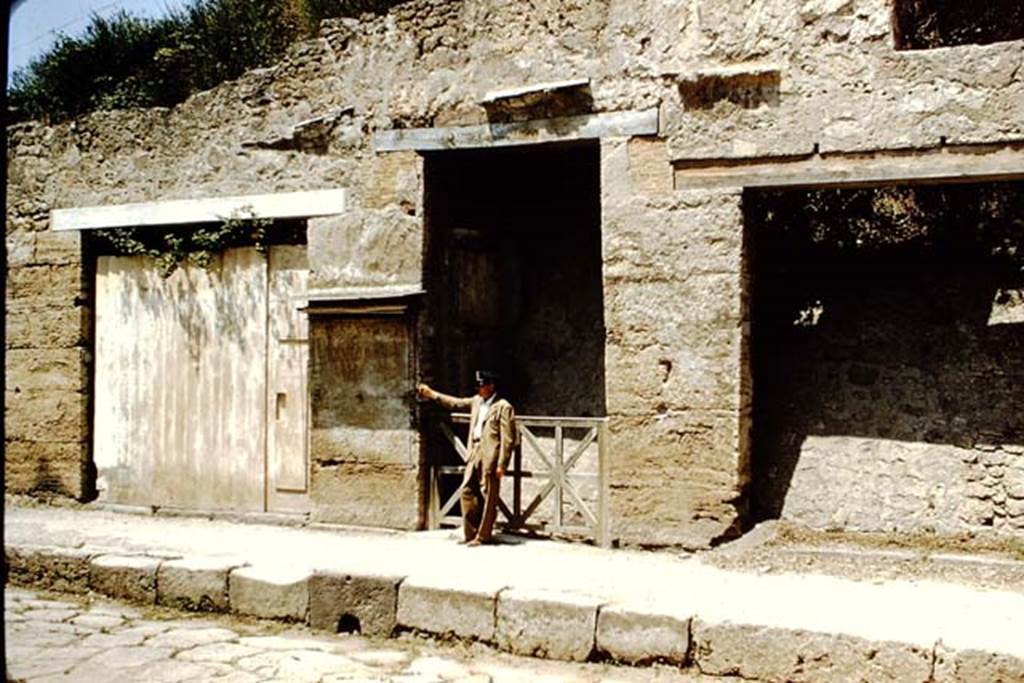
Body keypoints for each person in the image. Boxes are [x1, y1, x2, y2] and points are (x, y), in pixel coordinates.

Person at [418, 370, 516, 546]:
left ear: (491, 386)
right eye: (478, 386)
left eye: (482, 386)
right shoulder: (477, 401)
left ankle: (484, 535)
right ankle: (470, 534)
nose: (479, 389)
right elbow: (455, 403)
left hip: (490, 454)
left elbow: (508, 439)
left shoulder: (503, 406)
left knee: (488, 495)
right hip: (475, 450)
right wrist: (433, 395)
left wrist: (503, 464)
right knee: (467, 491)